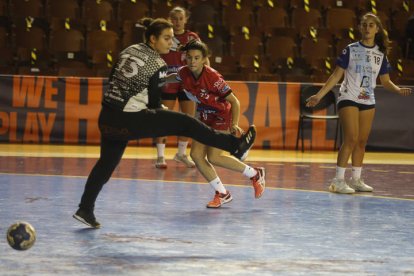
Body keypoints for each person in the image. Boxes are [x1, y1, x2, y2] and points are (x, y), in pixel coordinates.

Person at [73, 18, 257, 228]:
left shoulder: (128, 50)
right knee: (187, 124)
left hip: (107, 117)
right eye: (167, 38)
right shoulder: (158, 65)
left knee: (104, 165)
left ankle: (85, 209)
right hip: (130, 118)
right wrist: (166, 115)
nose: (171, 43)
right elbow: (154, 104)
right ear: (153, 39)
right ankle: (235, 146)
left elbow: (113, 77)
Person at [306, 12, 412, 194]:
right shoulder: (351, 50)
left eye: (371, 25)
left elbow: (385, 81)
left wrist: (397, 90)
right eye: (364, 25)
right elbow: (336, 75)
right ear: (360, 28)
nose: (367, 28)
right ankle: (337, 181)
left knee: (362, 141)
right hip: (349, 96)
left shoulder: (380, 55)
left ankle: (356, 179)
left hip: (368, 99)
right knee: (351, 138)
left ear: (377, 29)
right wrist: (319, 95)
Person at [174, 40, 265, 208]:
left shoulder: (213, 77)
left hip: (222, 115)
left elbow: (235, 101)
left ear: (204, 60)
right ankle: (222, 193)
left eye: (197, 58)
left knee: (214, 157)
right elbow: (167, 79)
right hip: (204, 115)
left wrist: (234, 124)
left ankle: (255, 174)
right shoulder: (183, 73)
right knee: (196, 155)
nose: (192, 61)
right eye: (189, 57)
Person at [155, 6, 207, 169]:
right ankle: (160, 156)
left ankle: (181, 154)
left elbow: (203, 58)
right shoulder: (164, 36)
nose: (177, 22)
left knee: (188, 118)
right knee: (163, 119)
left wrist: (204, 76)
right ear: (169, 20)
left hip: (187, 83)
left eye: (180, 18)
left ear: (186, 19)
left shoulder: (192, 37)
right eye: (174, 18)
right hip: (168, 81)